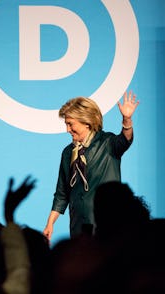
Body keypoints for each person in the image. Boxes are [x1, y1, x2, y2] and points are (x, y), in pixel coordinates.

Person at [43, 90, 139, 241]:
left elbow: (125, 140)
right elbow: (62, 193)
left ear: (86, 122)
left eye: (70, 124)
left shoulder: (108, 143)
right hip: (78, 228)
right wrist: (50, 224)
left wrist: (127, 119)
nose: (67, 129)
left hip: (107, 226)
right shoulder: (68, 153)